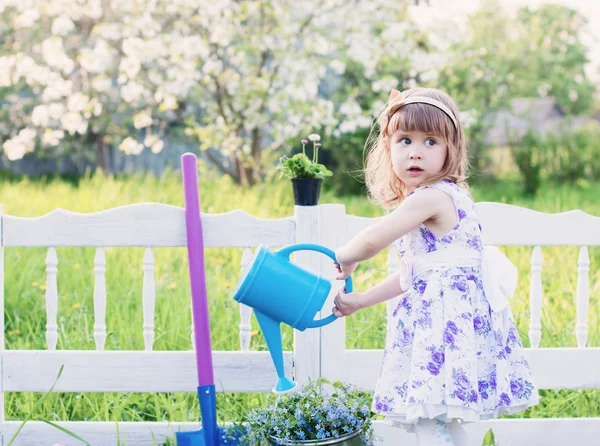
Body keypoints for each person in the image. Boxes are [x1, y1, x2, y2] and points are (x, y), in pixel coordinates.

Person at [332, 88, 539, 446]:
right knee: (438, 416)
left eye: (430, 141)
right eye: (405, 140)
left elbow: (370, 240)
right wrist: (361, 299)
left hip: (445, 329)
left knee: (428, 421)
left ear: (450, 149)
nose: (415, 151)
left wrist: (345, 257)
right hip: (442, 325)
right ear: (389, 147)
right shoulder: (439, 198)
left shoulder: (433, 197)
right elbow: (411, 275)